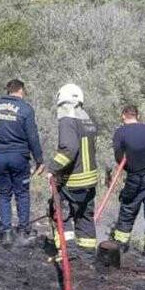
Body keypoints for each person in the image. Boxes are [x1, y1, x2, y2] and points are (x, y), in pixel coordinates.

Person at [0, 79, 44, 247]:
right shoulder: (25, 109)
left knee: (4, 194)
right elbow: (32, 136)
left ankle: (6, 233)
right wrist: (39, 160)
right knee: (22, 193)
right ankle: (23, 230)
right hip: (19, 157)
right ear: (21, 90)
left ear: (8, 90)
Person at [46, 83, 100, 251]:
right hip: (89, 181)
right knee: (85, 218)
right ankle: (87, 256)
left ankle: (68, 252)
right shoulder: (87, 119)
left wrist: (52, 169)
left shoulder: (68, 119)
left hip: (74, 180)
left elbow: (69, 149)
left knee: (58, 212)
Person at [110, 105, 145, 254]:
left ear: (123, 116)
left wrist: (130, 167)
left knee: (127, 211)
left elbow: (119, 157)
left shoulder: (120, 132)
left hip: (135, 179)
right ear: (137, 116)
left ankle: (120, 247)